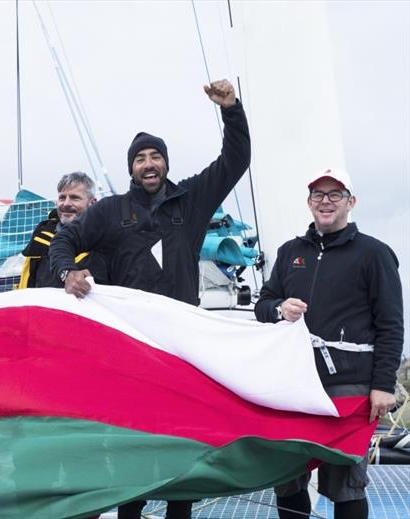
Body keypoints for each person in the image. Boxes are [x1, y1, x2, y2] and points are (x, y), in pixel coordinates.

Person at [49, 79, 251, 519]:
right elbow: (62, 241)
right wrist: (69, 272)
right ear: (131, 169)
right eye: (139, 158)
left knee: (181, 447)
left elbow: (236, 160)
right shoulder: (109, 211)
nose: (148, 163)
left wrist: (231, 109)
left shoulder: (192, 200)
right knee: (133, 449)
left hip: (182, 347)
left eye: (155, 155)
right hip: (130, 349)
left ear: (165, 163)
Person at [254, 169, 403, 519]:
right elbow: (263, 305)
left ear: (350, 202)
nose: (326, 201)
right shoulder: (290, 252)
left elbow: (391, 324)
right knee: (288, 478)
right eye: (318, 195)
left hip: (348, 385)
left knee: (346, 481)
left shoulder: (375, 254)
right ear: (309, 203)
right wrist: (279, 308)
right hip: (293, 384)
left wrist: (382, 385)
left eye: (334, 194)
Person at [18, 172, 103, 288]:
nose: (66, 204)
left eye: (75, 198)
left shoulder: (104, 240)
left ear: (92, 203)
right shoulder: (42, 237)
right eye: (62, 197)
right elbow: (27, 281)